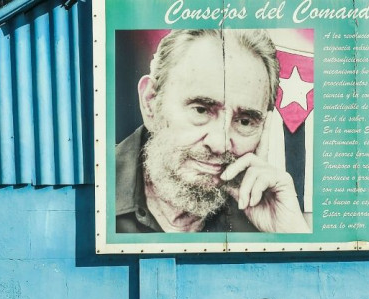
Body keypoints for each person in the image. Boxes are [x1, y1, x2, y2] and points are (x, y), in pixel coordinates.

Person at [116, 29, 309, 234]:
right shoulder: (96, 191)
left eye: (244, 121)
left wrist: (290, 233)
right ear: (151, 102)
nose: (220, 144)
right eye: (201, 110)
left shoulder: (263, 213)